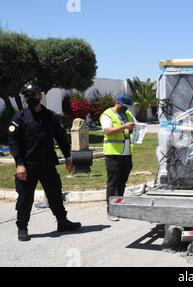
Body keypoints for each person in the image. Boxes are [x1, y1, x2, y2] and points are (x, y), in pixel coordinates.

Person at [8, 83, 82, 242]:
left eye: (33, 95)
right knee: (25, 198)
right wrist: (19, 163)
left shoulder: (52, 117)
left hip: (47, 164)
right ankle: (22, 227)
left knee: (55, 194)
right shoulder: (19, 117)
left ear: (40, 96)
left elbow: (61, 139)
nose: (30, 98)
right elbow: (13, 142)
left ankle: (62, 222)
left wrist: (68, 157)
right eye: (27, 95)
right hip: (27, 166)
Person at [100, 93, 136, 222]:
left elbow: (133, 126)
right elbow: (107, 131)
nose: (126, 109)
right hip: (113, 154)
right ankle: (111, 209)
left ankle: (119, 206)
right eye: (125, 106)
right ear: (118, 103)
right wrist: (124, 127)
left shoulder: (128, 114)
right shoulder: (107, 114)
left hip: (127, 154)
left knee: (122, 182)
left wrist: (133, 128)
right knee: (113, 183)